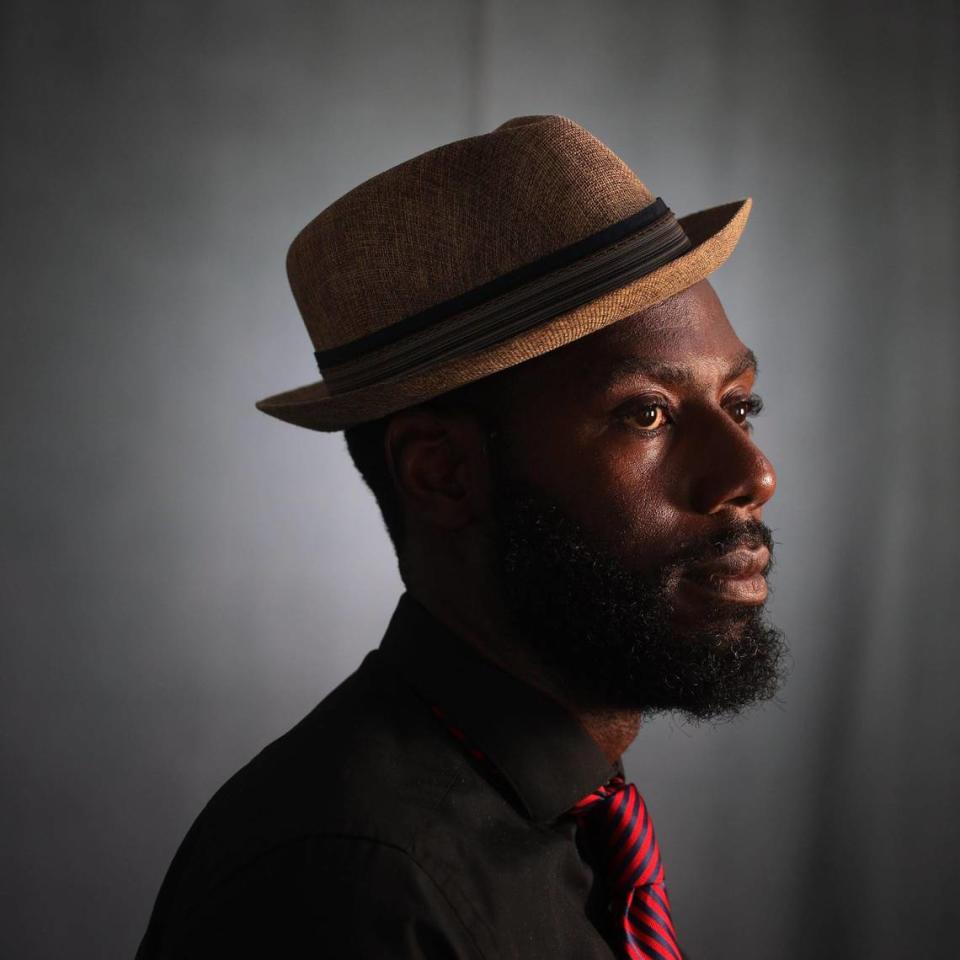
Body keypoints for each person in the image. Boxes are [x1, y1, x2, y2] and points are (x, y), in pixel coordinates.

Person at [137, 115, 784, 960]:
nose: (752, 474)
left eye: (738, 405)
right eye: (648, 413)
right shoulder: (352, 888)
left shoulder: (559, 829)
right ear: (442, 473)